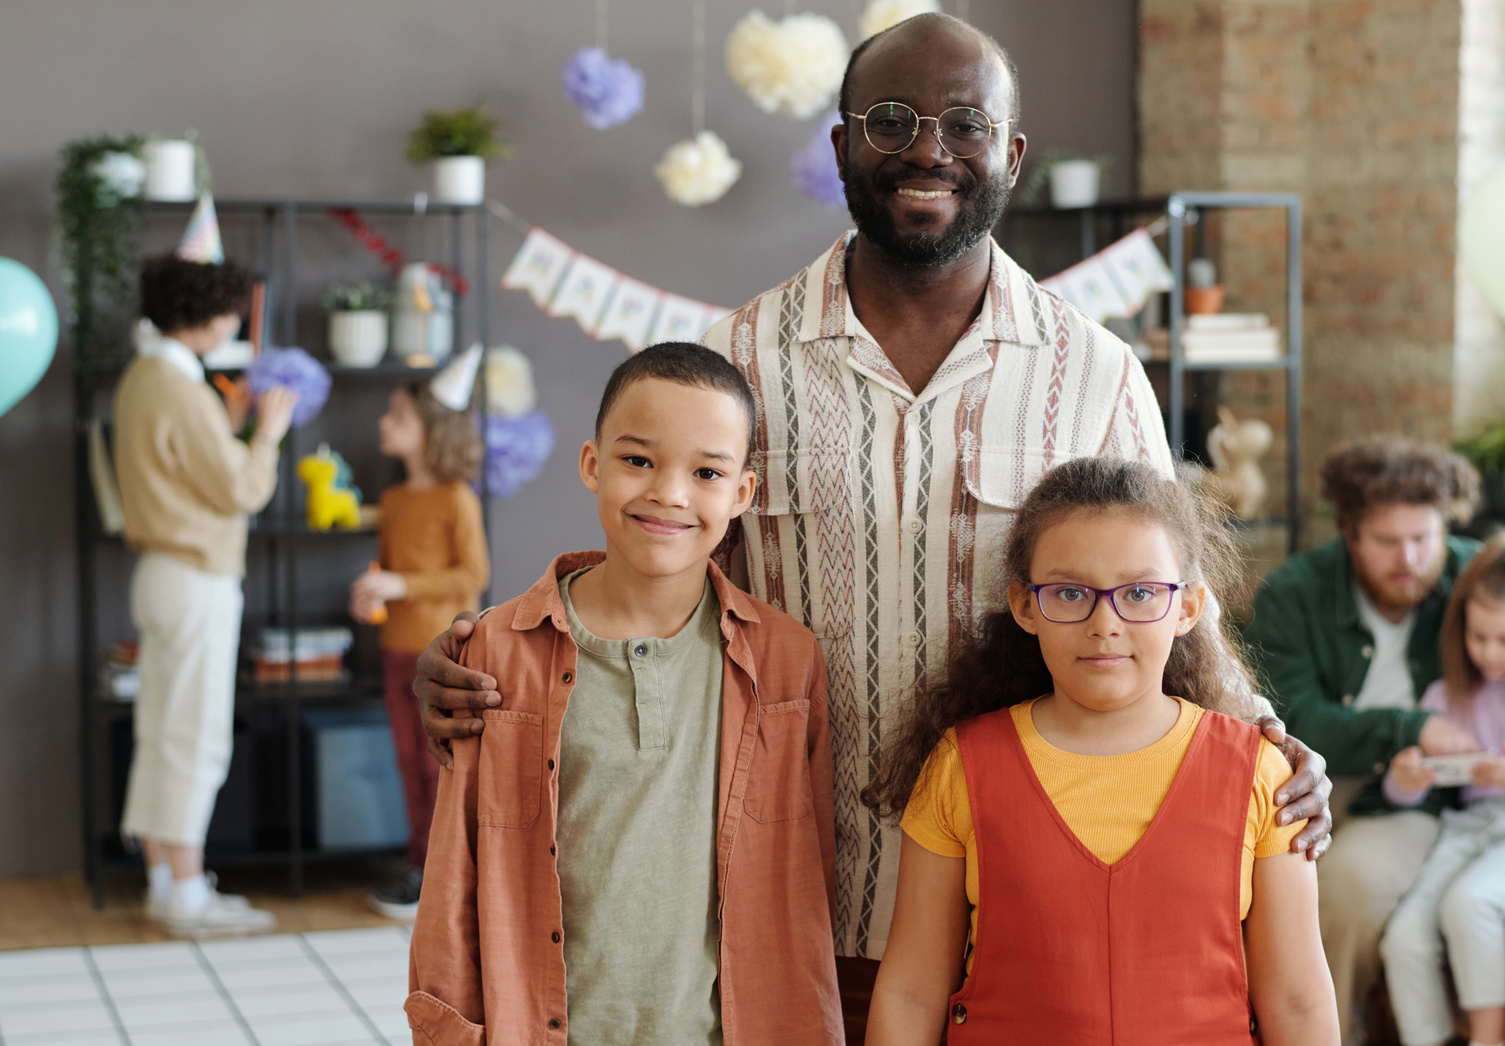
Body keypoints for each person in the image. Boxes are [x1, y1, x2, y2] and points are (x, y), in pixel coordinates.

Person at [412, 12, 1330, 1029]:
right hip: (783, 910)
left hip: (1023, 915)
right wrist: (496, 654)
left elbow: (1161, 601)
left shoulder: (1096, 375)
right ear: (842, 144)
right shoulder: (741, 358)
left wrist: (1270, 745)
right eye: (891, 119)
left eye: (966, 123)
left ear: (1011, 154)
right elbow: (662, 559)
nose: (928, 148)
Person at [407, 344, 842, 1045]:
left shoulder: (786, 661)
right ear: (591, 464)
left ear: (741, 495)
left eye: (705, 472)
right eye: (638, 460)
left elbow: (806, 876)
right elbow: (454, 875)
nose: (669, 492)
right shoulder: (498, 652)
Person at [860, 457, 1337, 1045]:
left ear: (1187, 608)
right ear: (1025, 605)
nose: (1104, 622)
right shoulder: (962, 767)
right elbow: (910, 992)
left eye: (1139, 592)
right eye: (1069, 592)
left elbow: (1297, 1002)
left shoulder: (1260, 775)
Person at [1244, 437, 1484, 1042]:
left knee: (1344, 888)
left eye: (1423, 538)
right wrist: (1410, 727)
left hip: (1416, 794)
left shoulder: (1477, 575)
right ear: (1350, 533)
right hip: (1304, 780)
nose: (1409, 558)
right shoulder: (1295, 591)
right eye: (1386, 541)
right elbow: (1291, 719)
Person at [114, 253, 298, 934]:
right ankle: (187, 892)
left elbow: (192, 470)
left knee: (160, 727)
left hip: (162, 572)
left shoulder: (145, 377)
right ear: (209, 314)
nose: (232, 324)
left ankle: (166, 878)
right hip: (196, 577)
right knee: (193, 734)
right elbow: (241, 489)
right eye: (230, 312)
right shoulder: (178, 385)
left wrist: (228, 424)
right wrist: (268, 434)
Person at [1378, 532, 1505, 1046]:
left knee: (1469, 902)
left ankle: (1488, 1039)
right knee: (1404, 938)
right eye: (1477, 637)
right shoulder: (1445, 694)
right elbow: (1410, 794)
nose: (1489, 653)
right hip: (1469, 830)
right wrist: (1405, 778)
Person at [350, 379, 488, 920]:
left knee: (440, 766)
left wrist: (401, 585)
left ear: (433, 433)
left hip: (444, 655)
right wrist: (373, 592)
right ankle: (423, 867)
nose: (385, 423)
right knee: (408, 762)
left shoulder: (457, 498)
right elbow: (391, 571)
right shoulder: (393, 500)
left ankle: (447, 877)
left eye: (400, 416)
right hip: (394, 650)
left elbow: (474, 574)